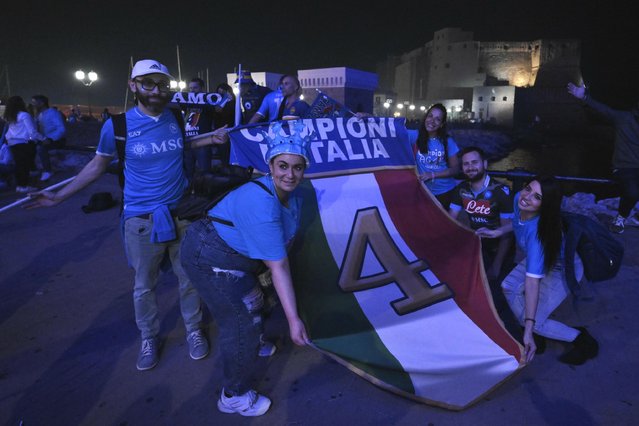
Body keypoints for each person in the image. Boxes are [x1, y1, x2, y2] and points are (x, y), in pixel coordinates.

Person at [27, 59, 229, 371]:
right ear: (133, 86)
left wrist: (210, 138)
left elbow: (181, 145)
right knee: (143, 285)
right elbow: (97, 165)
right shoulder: (117, 126)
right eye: (148, 83)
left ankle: (193, 329)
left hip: (182, 212)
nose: (157, 90)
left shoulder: (175, 116)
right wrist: (58, 197)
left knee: (189, 278)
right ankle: (149, 336)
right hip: (141, 220)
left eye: (162, 84)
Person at [180, 122, 310, 416]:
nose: (290, 174)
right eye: (283, 166)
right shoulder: (262, 202)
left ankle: (252, 341)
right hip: (210, 255)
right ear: (270, 166)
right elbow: (279, 267)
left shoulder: (294, 198)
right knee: (241, 323)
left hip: (238, 256)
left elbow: (281, 249)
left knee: (260, 300)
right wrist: (293, 321)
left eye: (297, 167)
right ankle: (233, 396)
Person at [500, 176, 599, 365]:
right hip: (540, 260)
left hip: (562, 267)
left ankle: (581, 339)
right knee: (508, 286)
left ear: (545, 206)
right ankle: (537, 331)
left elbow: (532, 283)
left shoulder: (539, 237)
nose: (527, 197)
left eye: (537, 197)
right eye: (528, 188)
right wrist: (497, 232)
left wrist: (528, 328)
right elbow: (517, 222)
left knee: (533, 319)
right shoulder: (518, 200)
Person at [567, 82, 639, 233]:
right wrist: (585, 97)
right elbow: (604, 110)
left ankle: (636, 216)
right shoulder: (625, 119)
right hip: (624, 167)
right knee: (632, 191)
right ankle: (621, 217)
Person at [449, 146, 514, 280]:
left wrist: (496, 266)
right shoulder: (461, 189)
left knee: (495, 288)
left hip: (500, 250)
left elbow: (507, 233)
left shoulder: (501, 192)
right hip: (477, 244)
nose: (470, 167)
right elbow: (451, 219)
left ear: (484, 163)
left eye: (474, 162)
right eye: (466, 164)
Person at [407, 103, 460, 209]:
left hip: (445, 192)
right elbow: (392, 129)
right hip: (424, 192)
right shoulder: (415, 136)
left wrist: (432, 174)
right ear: (425, 117)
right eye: (430, 116)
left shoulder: (448, 141)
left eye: (437, 119)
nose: (432, 121)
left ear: (441, 124)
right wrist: (369, 118)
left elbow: (456, 169)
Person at [2, 96, 43, 192]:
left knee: (19, 164)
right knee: (25, 165)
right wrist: (43, 138)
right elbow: (32, 132)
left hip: (12, 143)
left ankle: (20, 186)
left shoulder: (10, 116)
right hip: (24, 143)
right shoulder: (24, 115)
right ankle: (24, 185)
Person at [183, 77, 216, 175]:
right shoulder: (186, 102)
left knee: (205, 172)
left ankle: (207, 190)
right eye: (190, 88)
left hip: (203, 141)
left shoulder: (209, 102)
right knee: (188, 172)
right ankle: (190, 190)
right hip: (188, 141)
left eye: (195, 88)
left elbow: (219, 107)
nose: (192, 91)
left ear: (202, 88)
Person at [31, 94, 67, 182]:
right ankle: (33, 169)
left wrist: (50, 139)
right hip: (45, 139)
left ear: (42, 103)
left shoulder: (53, 113)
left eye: (35, 102)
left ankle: (47, 170)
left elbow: (61, 129)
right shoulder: (39, 115)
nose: (33, 105)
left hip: (57, 140)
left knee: (41, 148)